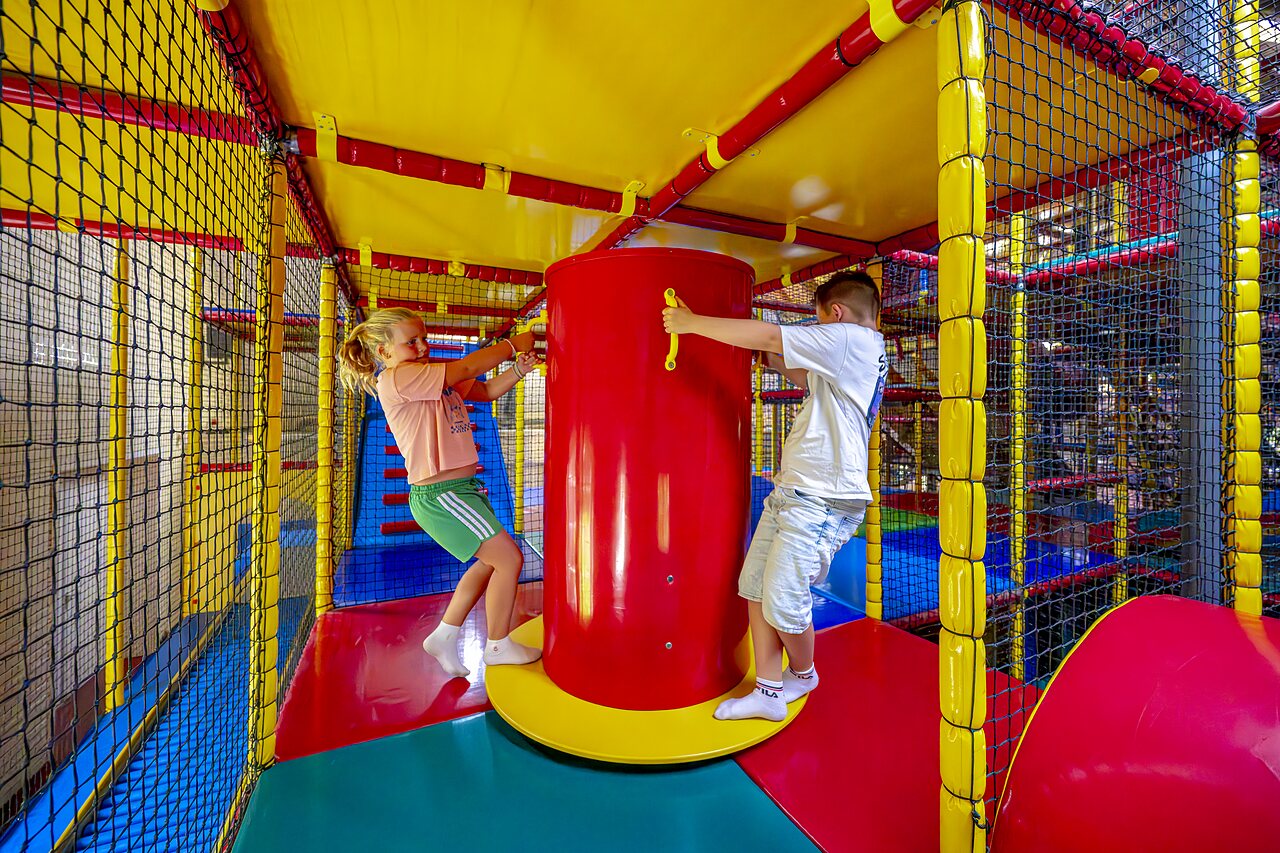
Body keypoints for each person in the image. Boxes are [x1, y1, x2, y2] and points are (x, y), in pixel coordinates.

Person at [662, 271, 886, 721]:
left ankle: (803, 674)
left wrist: (689, 322)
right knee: (756, 588)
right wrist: (771, 360)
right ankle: (767, 691)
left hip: (822, 499)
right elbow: (798, 369)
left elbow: (769, 332)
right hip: (793, 492)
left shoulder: (852, 340)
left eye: (818, 321)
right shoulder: (852, 356)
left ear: (835, 315)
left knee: (783, 597)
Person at [338, 307, 540, 678]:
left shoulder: (429, 376)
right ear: (384, 353)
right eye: (410, 342)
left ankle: (445, 635)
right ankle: (497, 645)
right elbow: (465, 369)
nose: (421, 346)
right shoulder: (397, 379)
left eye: (423, 339)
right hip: (442, 494)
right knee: (509, 559)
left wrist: (518, 370)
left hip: (462, 490)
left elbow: (484, 390)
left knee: (490, 563)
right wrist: (510, 345)